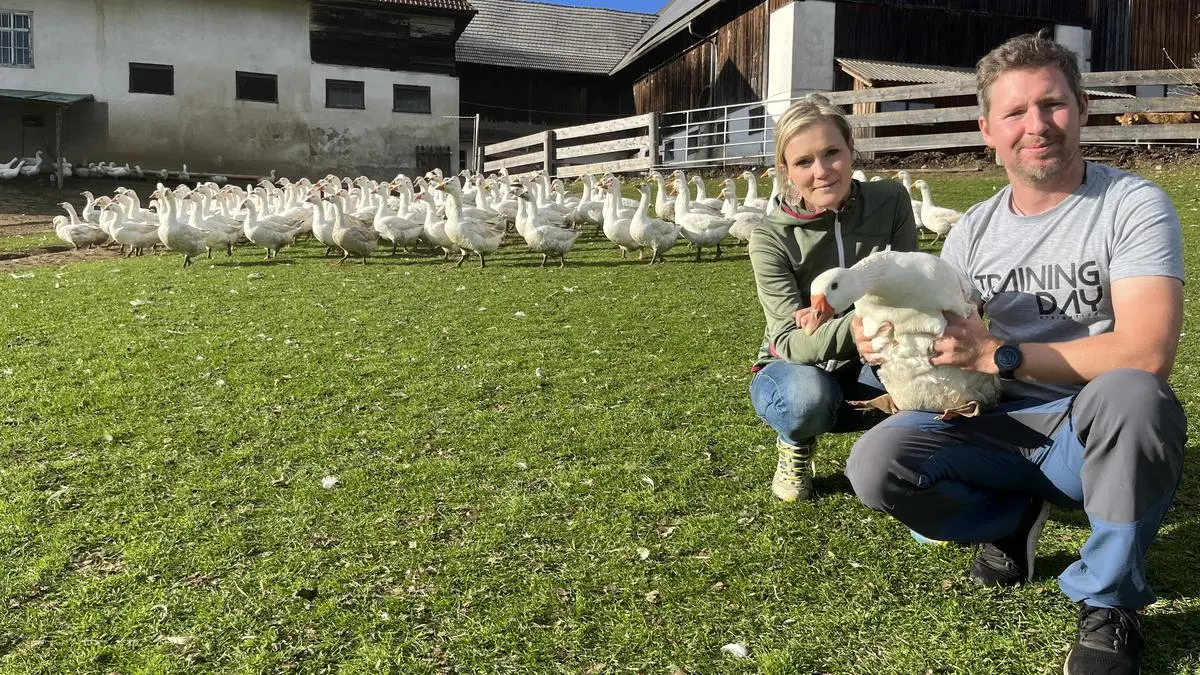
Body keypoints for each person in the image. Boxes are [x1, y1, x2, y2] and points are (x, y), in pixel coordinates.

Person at [844, 32, 1185, 675]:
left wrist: (1001, 355)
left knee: (1135, 395)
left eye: (1052, 104)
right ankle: (1008, 520)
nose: (1038, 126)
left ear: (1082, 108)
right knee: (876, 463)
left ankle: (1109, 605)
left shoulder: (1131, 206)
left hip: (1091, 431)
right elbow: (939, 333)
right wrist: (885, 342)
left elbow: (1146, 354)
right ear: (987, 129)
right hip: (993, 424)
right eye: (1015, 112)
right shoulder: (971, 231)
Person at [748, 93, 918, 502]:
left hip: (878, 354)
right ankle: (796, 441)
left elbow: (908, 286)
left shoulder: (891, 201)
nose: (822, 171)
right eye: (804, 162)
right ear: (785, 170)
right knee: (808, 398)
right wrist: (855, 327)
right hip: (796, 368)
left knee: (934, 379)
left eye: (832, 153)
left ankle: (915, 462)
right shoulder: (769, 238)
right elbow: (789, 340)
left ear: (850, 151)